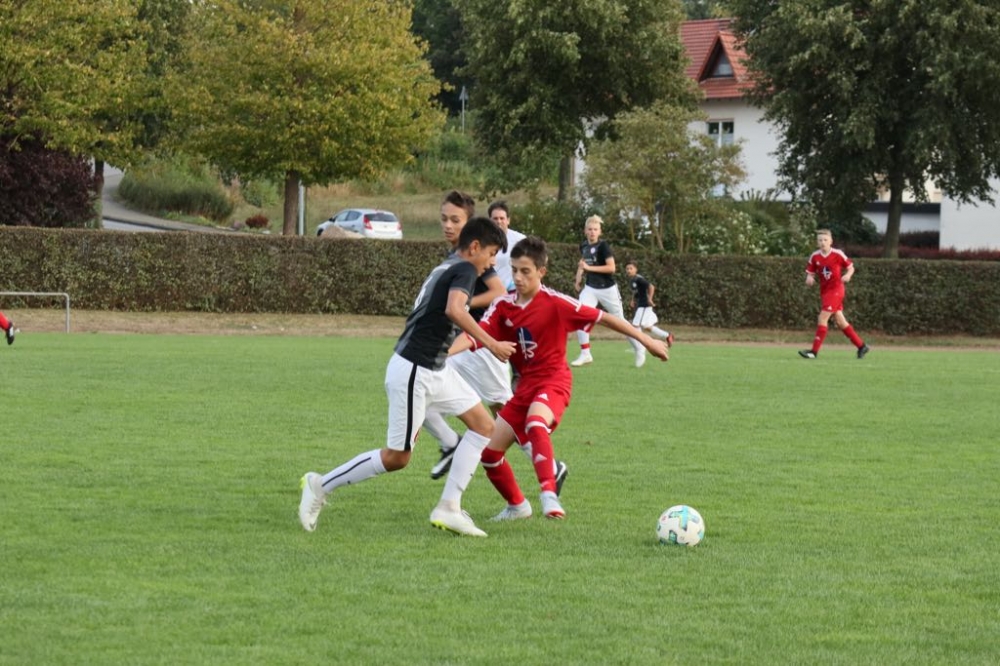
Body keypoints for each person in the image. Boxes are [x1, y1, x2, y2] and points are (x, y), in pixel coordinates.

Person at [298, 217, 514, 538]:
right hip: (416, 370)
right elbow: (455, 310)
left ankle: (449, 507)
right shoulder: (466, 270)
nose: (493, 262)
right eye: (492, 253)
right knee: (397, 457)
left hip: (434, 368)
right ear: (474, 247)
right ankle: (320, 484)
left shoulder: (449, 265)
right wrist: (492, 343)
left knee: (484, 426)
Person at [447, 236, 669, 528]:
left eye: (525, 271)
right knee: (489, 454)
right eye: (514, 270)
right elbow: (474, 334)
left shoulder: (556, 303)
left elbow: (606, 318)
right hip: (524, 388)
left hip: (554, 381)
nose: (518, 277)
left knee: (535, 423)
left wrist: (648, 341)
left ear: (541, 271)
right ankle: (517, 506)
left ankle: (549, 494)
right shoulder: (503, 306)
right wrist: (443, 355)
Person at [426, 193, 568, 495]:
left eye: (455, 220)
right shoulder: (459, 258)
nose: (448, 226)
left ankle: (548, 468)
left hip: (483, 348)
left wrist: (463, 305)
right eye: (444, 219)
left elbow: (498, 291)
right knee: (424, 388)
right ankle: (450, 444)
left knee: (505, 413)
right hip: (469, 345)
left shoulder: (477, 259)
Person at [570, 215, 643, 367]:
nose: (592, 232)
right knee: (580, 315)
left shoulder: (603, 246)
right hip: (590, 288)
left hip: (607, 289)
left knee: (620, 322)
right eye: (590, 229)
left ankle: (639, 347)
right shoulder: (583, 246)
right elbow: (583, 264)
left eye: (595, 229)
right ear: (585, 231)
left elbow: (611, 268)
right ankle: (585, 353)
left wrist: (589, 268)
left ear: (600, 232)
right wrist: (578, 279)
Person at [799, 228, 870, 360]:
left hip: (836, 290)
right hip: (825, 292)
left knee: (822, 318)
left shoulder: (838, 254)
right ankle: (861, 346)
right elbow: (810, 272)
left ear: (831, 241)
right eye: (820, 240)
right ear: (817, 242)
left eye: (825, 240)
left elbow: (851, 267)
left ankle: (813, 352)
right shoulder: (815, 256)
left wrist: (848, 275)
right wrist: (809, 278)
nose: (822, 242)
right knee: (840, 321)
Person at [624, 260, 674, 366]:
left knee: (635, 326)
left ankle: (641, 347)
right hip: (641, 306)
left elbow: (651, 286)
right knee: (646, 326)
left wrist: (650, 299)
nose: (628, 270)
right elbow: (636, 291)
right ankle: (667, 335)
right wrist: (632, 300)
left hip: (644, 306)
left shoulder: (639, 279)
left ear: (636, 269)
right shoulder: (632, 280)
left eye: (631, 268)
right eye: (627, 268)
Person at [487, 200, 526, 292]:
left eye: (502, 218)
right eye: (495, 218)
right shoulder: (481, 240)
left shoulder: (520, 240)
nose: (499, 221)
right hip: (487, 291)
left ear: (508, 220)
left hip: (512, 291)